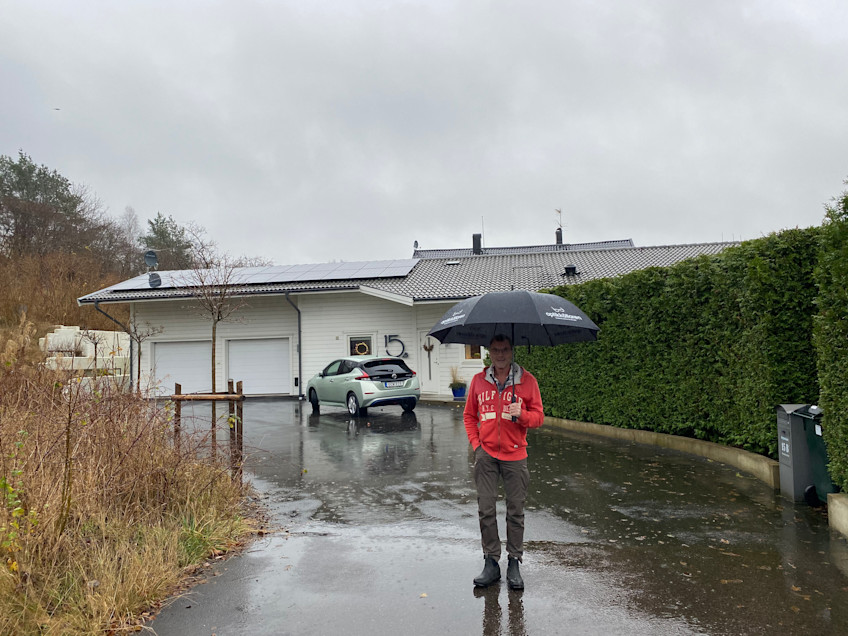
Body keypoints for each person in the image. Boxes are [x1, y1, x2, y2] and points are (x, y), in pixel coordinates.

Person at [463, 334, 544, 589]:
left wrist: (522, 415)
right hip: (486, 454)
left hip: (516, 455)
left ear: (512, 351)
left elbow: (539, 417)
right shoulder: (478, 381)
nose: (500, 354)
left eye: (505, 350)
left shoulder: (527, 381)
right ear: (489, 352)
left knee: (515, 511)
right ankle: (491, 562)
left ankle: (514, 562)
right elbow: (468, 416)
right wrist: (477, 446)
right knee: (486, 509)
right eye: (496, 350)